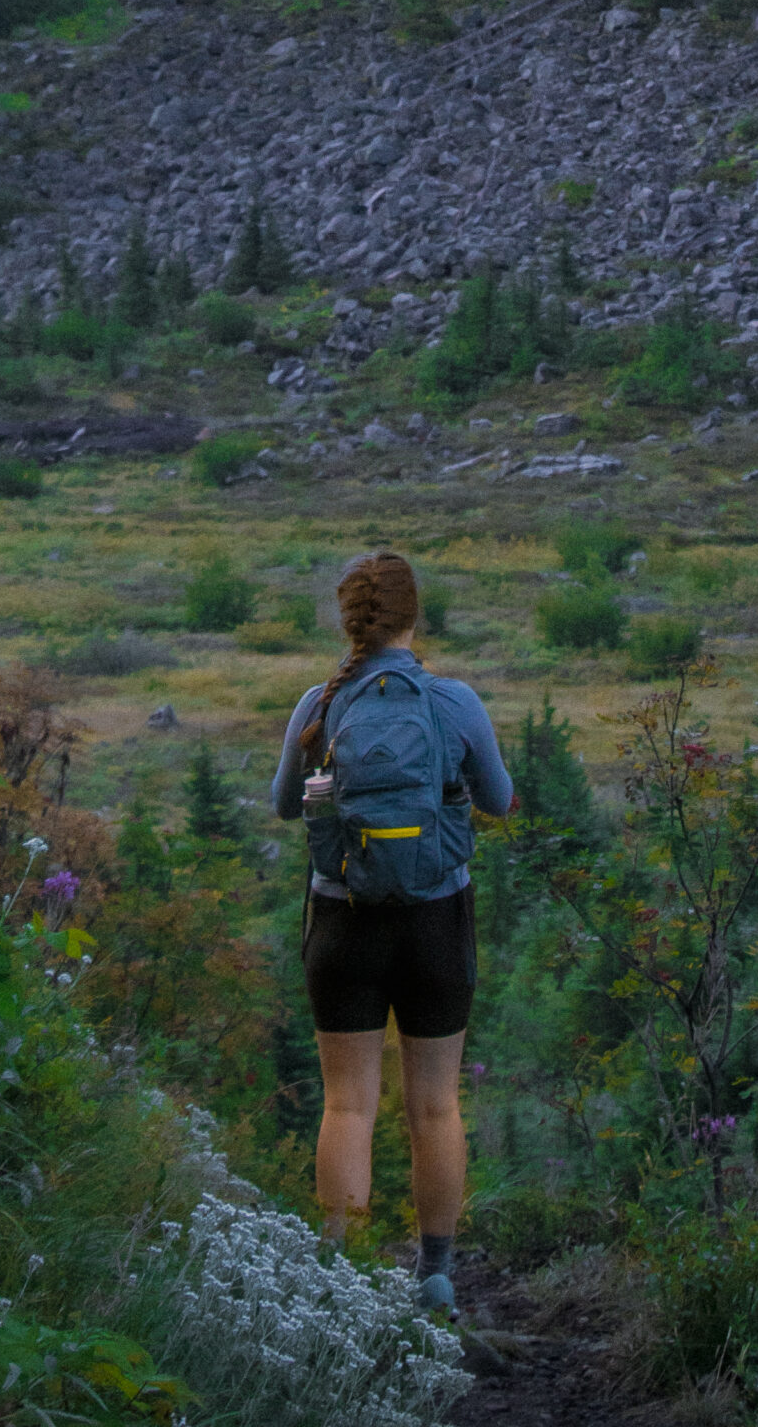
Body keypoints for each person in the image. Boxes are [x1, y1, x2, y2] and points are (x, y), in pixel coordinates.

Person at [270, 551, 513, 1312]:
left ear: (350, 621)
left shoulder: (321, 702)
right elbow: (499, 800)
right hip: (437, 921)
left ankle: (336, 1278)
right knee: (435, 1106)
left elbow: (285, 805)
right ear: (415, 617)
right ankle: (436, 1276)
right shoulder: (454, 701)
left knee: (348, 1105)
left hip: (343, 919)